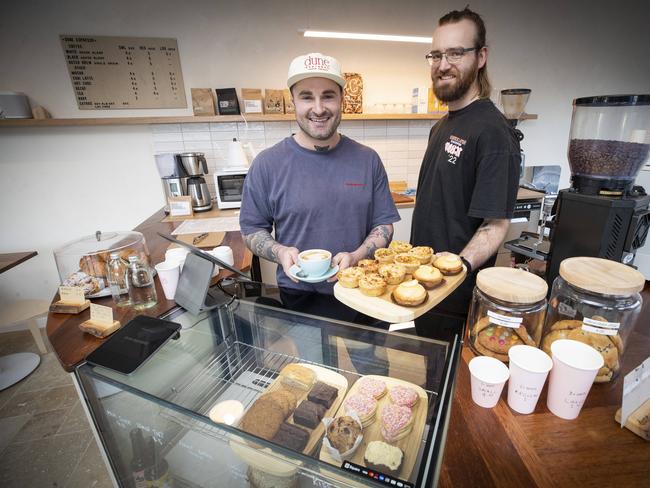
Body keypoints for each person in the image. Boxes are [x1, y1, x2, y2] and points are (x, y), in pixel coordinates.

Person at [239, 53, 400, 374]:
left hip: (362, 289)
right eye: (306, 97)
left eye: (328, 95)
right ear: (293, 101)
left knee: (373, 372)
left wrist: (356, 255)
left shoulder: (367, 159)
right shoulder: (267, 165)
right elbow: (252, 230)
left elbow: (384, 225)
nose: (318, 107)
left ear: (341, 99)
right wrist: (280, 251)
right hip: (302, 295)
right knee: (317, 375)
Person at [411, 8, 521, 339]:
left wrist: (455, 269)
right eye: (436, 54)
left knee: (449, 387)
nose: (442, 65)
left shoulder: (493, 133)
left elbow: (495, 224)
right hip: (427, 290)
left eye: (456, 53)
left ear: (481, 56)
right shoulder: (441, 126)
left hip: (456, 302)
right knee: (431, 378)